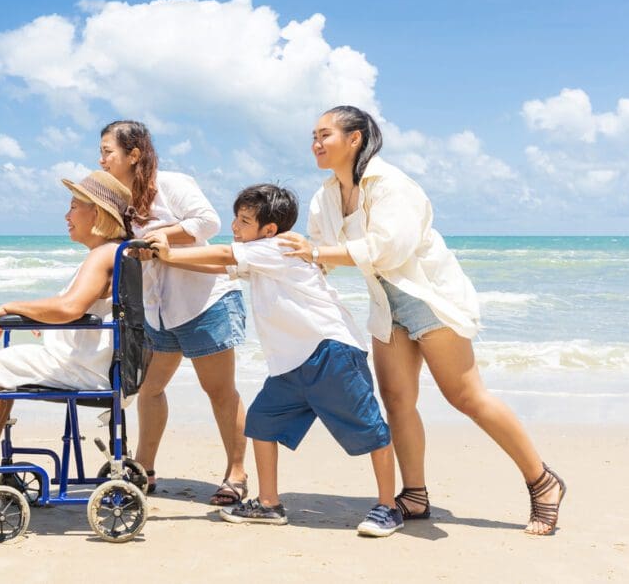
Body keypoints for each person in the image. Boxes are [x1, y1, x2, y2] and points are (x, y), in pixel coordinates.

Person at [278, 105, 566, 536]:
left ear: (355, 139)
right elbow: (322, 255)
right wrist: (268, 257)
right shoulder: (325, 197)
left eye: (325, 135)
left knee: (465, 396)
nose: (316, 144)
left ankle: (543, 481)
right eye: (313, 137)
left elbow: (387, 250)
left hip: (427, 299)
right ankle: (414, 494)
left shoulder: (391, 184)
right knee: (397, 400)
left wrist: (316, 252)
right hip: (385, 304)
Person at [148, 184, 403, 536]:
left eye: (244, 220)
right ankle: (269, 504)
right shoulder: (260, 255)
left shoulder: (276, 247)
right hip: (291, 365)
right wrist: (168, 260)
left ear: (268, 229)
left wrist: (169, 255)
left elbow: (222, 255)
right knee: (261, 422)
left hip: (330, 353)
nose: (235, 226)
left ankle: (388, 507)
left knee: (370, 429)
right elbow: (221, 267)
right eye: (236, 218)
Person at [0, 170, 134, 506]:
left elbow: (71, 307)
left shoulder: (103, 254)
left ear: (97, 214)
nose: (67, 216)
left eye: (74, 207)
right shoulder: (115, 252)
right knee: (7, 368)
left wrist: (11, 307)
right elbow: (74, 307)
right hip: (99, 364)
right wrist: (39, 316)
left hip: (86, 369)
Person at [99, 120, 249, 505]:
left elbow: (208, 221)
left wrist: (163, 236)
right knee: (150, 389)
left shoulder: (171, 183)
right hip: (159, 309)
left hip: (204, 302)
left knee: (218, 391)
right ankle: (144, 468)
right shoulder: (120, 201)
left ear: (134, 154)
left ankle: (237, 473)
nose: (102, 160)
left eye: (107, 152)